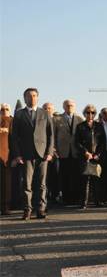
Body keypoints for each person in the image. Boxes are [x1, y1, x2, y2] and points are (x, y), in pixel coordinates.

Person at [11, 88, 54, 220]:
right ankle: (27, 210)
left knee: (42, 184)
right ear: (24, 98)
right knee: (27, 184)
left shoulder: (45, 113)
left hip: (42, 154)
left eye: (34, 96)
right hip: (26, 155)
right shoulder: (19, 114)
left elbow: (51, 135)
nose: (32, 98)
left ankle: (41, 209)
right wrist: (17, 155)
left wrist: (49, 152)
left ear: (38, 97)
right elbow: (14, 137)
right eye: (29, 96)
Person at [75, 104, 106, 209]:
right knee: (84, 180)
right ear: (84, 114)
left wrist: (98, 154)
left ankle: (98, 201)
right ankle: (84, 202)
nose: (90, 114)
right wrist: (85, 152)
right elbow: (77, 142)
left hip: (96, 157)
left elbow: (103, 142)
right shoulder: (80, 126)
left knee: (96, 179)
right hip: (84, 157)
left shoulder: (99, 126)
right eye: (88, 112)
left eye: (92, 112)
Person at [54, 99, 84, 205]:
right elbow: (53, 135)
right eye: (67, 105)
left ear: (74, 107)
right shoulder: (57, 119)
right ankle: (66, 198)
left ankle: (76, 197)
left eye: (71, 105)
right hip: (63, 152)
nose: (69, 107)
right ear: (63, 107)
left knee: (76, 175)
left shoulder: (80, 119)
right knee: (64, 176)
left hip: (76, 152)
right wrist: (54, 149)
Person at [0, 103, 13, 215]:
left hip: (6, 157)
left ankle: (5, 207)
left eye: (7, 109)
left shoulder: (12, 121)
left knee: (5, 183)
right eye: (2, 109)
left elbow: (15, 140)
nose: (4, 111)